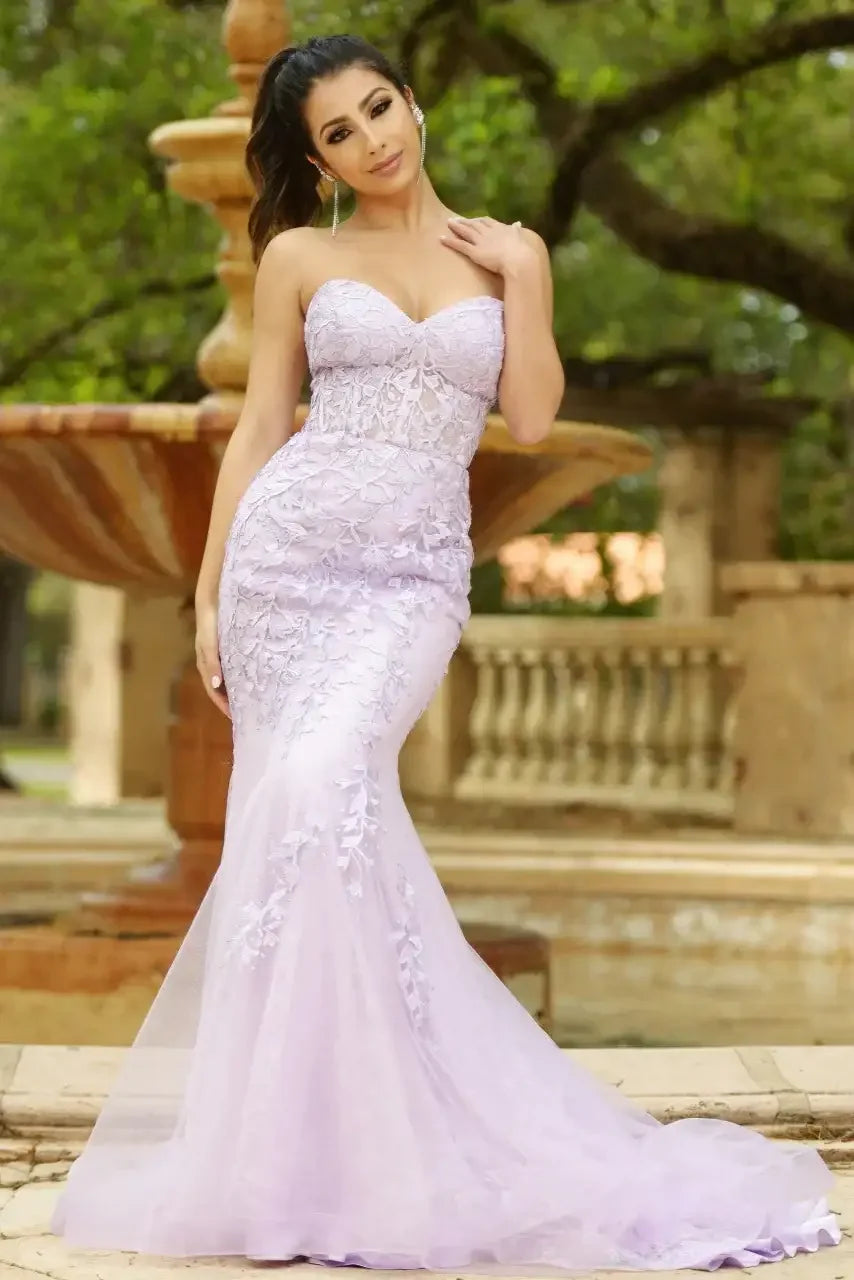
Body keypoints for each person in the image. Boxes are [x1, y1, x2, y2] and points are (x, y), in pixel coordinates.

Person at [51, 33, 841, 1274]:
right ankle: (302, 1152)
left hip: (409, 579)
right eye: (339, 133)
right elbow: (259, 422)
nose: (373, 140)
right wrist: (208, 591)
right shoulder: (303, 256)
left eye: (379, 108)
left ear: (412, 100)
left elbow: (526, 417)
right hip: (286, 565)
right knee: (305, 825)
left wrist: (525, 277)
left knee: (325, 798)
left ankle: (392, 1135)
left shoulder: (501, 251)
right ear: (314, 160)